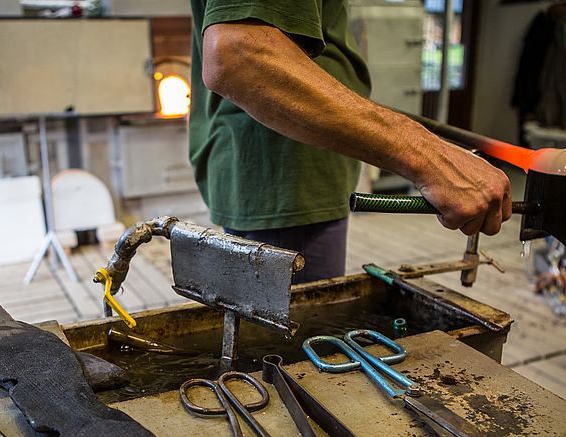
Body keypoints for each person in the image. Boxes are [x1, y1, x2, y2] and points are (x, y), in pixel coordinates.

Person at [188, 0, 512, 282]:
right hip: (287, 176)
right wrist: (432, 160)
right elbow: (240, 52)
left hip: (289, 173)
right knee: (296, 343)